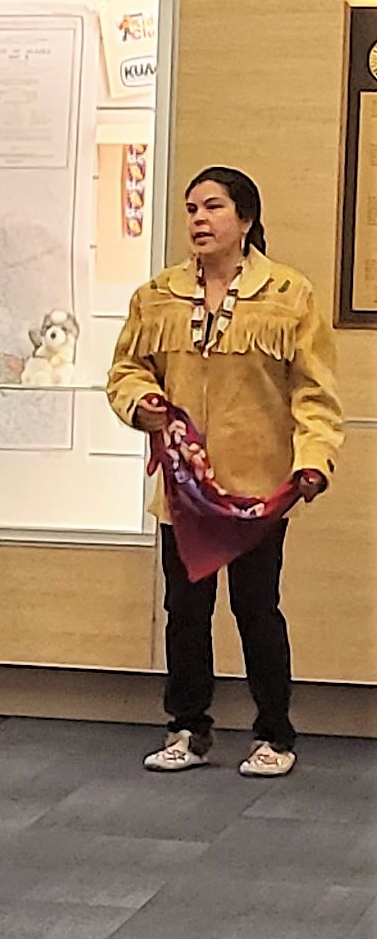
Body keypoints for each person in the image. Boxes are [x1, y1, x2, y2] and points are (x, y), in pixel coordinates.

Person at [107, 167, 342, 779]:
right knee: (185, 611)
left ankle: (275, 734)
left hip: (257, 494)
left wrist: (313, 461)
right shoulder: (156, 295)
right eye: (190, 209)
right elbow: (126, 371)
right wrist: (142, 405)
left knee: (257, 608)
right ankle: (187, 727)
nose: (199, 220)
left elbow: (315, 394)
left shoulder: (291, 295)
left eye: (213, 207)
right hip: (185, 493)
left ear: (245, 219)